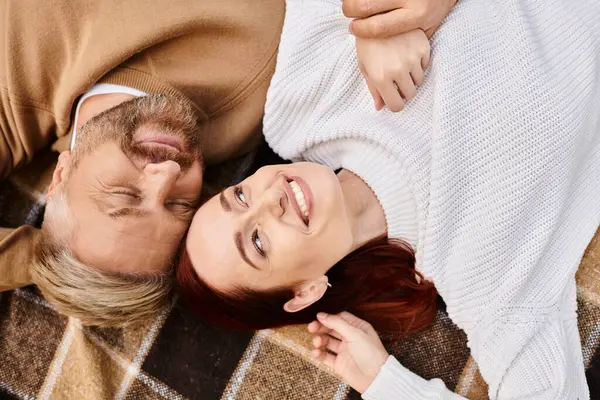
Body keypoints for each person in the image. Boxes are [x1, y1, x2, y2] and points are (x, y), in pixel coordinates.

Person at [177, 0, 600, 398]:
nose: (269, 200)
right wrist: (386, 384)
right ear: (305, 292)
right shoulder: (481, 275)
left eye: (240, 195)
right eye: (257, 241)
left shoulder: (300, 106)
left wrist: (376, 21)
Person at [0, 0, 284, 325]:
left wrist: (50, 258)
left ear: (60, 175)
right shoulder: (253, 105)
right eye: (179, 204)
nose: (169, 172)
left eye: (124, 196)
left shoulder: (11, 103)